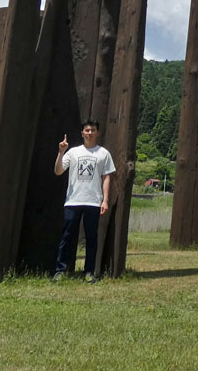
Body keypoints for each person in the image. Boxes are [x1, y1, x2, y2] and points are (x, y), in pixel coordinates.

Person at [52, 120, 115, 282]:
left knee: (91, 238)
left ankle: (89, 272)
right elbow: (58, 171)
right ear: (82, 133)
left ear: (97, 133)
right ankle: (61, 270)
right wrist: (61, 152)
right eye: (86, 130)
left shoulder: (103, 153)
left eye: (92, 130)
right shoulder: (73, 152)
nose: (89, 133)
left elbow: (106, 177)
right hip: (73, 200)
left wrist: (105, 200)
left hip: (93, 201)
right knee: (67, 236)